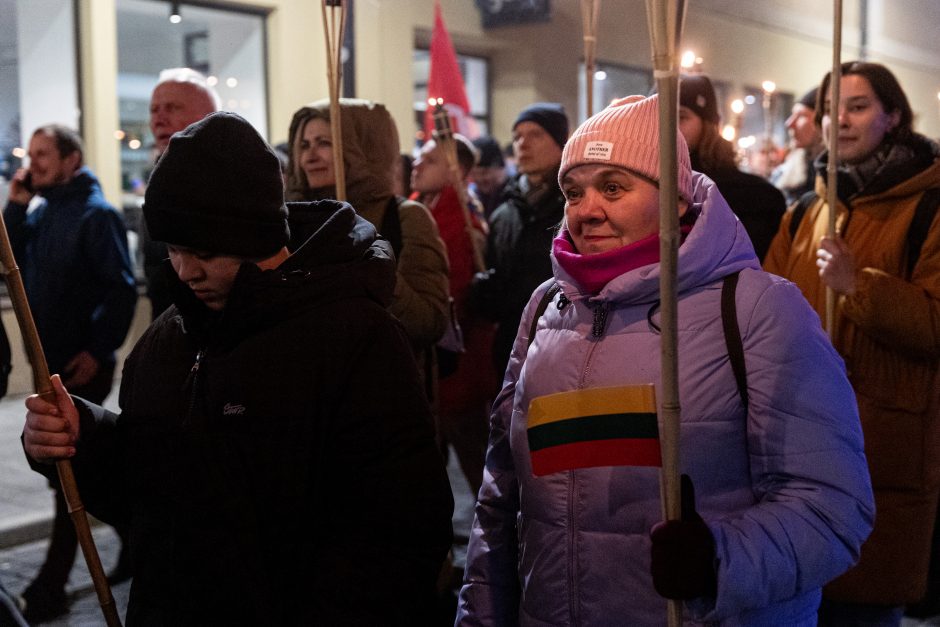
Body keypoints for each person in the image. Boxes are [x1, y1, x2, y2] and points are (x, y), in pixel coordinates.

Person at [21, 112, 454, 625]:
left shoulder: (354, 336)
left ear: (256, 233)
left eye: (204, 251)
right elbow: (150, 490)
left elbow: (399, 531)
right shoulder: (168, 337)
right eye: (175, 250)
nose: (185, 271)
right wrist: (83, 435)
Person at [456, 94, 874, 625]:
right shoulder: (545, 308)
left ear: (676, 200)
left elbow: (831, 505)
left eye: (613, 186)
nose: (587, 210)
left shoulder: (755, 309)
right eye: (573, 191)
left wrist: (718, 562)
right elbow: (500, 501)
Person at [764, 61, 940, 627]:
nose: (838, 120)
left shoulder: (928, 207)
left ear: (892, 117)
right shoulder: (805, 211)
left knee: (863, 608)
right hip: (800, 441)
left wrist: (858, 286)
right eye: (828, 107)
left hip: (882, 443)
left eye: (858, 106)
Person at [4, 124, 137, 622]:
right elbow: (8, 258)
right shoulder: (42, 211)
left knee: (68, 474)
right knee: (65, 476)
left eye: (43, 154)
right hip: (49, 362)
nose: (32, 162)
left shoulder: (96, 214)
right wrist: (16, 206)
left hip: (82, 366)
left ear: (71, 159)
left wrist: (98, 349)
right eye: (30, 154)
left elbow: (121, 289)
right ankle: (133, 537)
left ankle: (50, 586)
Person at [286, 99, 449, 397]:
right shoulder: (292, 222)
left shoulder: (405, 217)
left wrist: (370, 265)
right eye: (304, 144)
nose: (309, 156)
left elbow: (428, 322)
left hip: (382, 397)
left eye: (324, 143)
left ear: (362, 149)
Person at [411, 132, 496, 497]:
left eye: (428, 160)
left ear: (455, 170)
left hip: (457, 368)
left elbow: (454, 297)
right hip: (426, 371)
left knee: (477, 467)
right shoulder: (418, 213)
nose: (416, 164)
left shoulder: (461, 224)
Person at [470, 102, 569, 382]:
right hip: (512, 351)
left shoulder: (575, 208)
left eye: (535, 135)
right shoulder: (504, 214)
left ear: (561, 143)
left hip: (562, 350)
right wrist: (486, 291)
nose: (522, 144)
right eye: (517, 137)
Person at [678, 74, 786, 262]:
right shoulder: (642, 189)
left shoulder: (753, 196)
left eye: (681, 117)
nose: (666, 126)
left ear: (707, 124)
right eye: (657, 117)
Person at [142, 67, 220, 320]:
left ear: (208, 116)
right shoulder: (158, 183)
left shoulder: (229, 182)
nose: (159, 119)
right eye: (154, 110)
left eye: (172, 108)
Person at [772, 87, 825, 204]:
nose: (789, 123)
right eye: (792, 115)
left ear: (822, 122)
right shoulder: (787, 172)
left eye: (801, 116)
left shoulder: (830, 174)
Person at [469, 135, 508, 219]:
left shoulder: (516, 198)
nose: (479, 179)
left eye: (484, 173)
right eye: (474, 174)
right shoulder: (472, 199)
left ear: (500, 168)